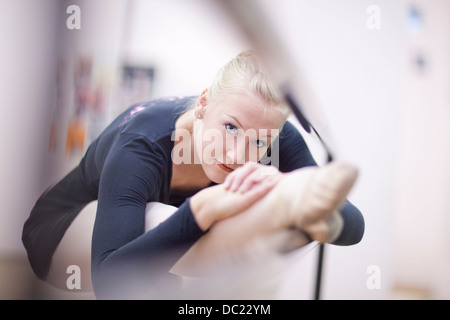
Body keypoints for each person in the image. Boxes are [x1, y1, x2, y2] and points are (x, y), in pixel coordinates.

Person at [22, 50, 364, 299]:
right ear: (203, 105)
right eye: (230, 127)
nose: (237, 155)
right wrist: (204, 207)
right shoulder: (142, 143)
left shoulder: (272, 132)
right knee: (165, 217)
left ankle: (285, 215)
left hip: (154, 261)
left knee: (290, 212)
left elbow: (354, 224)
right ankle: (272, 220)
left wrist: (291, 186)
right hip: (60, 235)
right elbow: (112, 283)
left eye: (259, 142)